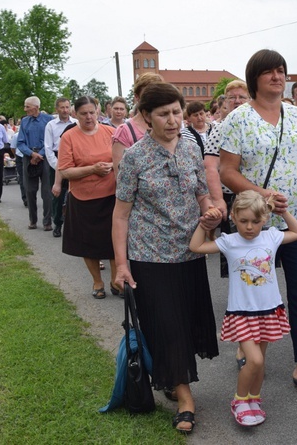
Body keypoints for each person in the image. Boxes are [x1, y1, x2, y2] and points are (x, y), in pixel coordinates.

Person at [220, 49, 297, 401]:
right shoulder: (237, 119)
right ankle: (249, 351)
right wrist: (261, 193)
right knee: (254, 292)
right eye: (269, 71)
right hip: (256, 223)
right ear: (254, 77)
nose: (277, 76)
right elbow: (226, 171)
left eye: (281, 70)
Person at [113, 82, 220, 434]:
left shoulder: (191, 147)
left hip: (190, 252)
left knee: (187, 323)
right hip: (150, 257)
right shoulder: (134, 157)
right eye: (164, 114)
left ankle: (175, 380)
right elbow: (121, 215)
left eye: (176, 112)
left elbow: (202, 194)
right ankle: (186, 400)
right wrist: (121, 264)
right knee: (168, 326)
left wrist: (211, 214)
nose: (173, 120)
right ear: (146, 117)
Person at [189, 191, 297, 427]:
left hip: (269, 311)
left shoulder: (271, 236)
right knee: (255, 361)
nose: (249, 227)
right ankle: (239, 400)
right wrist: (204, 223)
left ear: (264, 219)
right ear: (233, 217)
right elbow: (196, 246)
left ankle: (254, 398)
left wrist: (282, 212)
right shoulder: (230, 241)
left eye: (255, 221)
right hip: (242, 313)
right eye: (243, 221)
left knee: (260, 360)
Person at [57, 96, 117, 299]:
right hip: (84, 198)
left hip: (112, 195)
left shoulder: (111, 132)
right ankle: (97, 281)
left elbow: (124, 159)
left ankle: (115, 280)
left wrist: (113, 167)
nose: (89, 117)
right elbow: (65, 171)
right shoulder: (69, 137)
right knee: (89, 244)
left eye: (92, 112)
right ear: (76, 114)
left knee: (114, 241)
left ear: (98, 111)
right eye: (84, 113)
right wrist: (93, 169)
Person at [203, 79, 250, 280]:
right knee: (236, 253)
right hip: (232, 197)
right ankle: (239, 299)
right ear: (226, 102)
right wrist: (218, 200)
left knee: (259, 251)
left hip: (257, 196)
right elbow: (210, 166)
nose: (237, 101)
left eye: (242, 97)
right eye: (232, 98)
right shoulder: (221, 128)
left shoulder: (257, 123)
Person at [112, 72, 163, 173]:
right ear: (137, 97)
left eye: (157, 93)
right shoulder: (125, 131)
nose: (153, 98)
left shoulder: (169, 125)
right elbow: (121, 177)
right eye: (147, 94)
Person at [16, 96, 54, 230]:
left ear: (36, 107)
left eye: (27, 106)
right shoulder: (24, 122)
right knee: (30, 190)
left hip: (45, 158)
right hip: (29, 157)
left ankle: (47, 221)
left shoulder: (49, 120)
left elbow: (51, 141)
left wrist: (40, 154)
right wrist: (31, 154)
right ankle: (33, 220)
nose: (25, 109)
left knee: (47, 191)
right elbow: (20, 142)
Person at [44, 97, 77, 237]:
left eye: (67, 107)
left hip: (75, 160)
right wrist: (58, 166)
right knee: (58, 195)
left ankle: (75, 225)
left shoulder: (76, 123)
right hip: (57, 161)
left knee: (75, 195)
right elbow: (48, 148)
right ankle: (58, 223)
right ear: (57, 109)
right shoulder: (51, 125)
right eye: (62, 107)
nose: (65, 110)